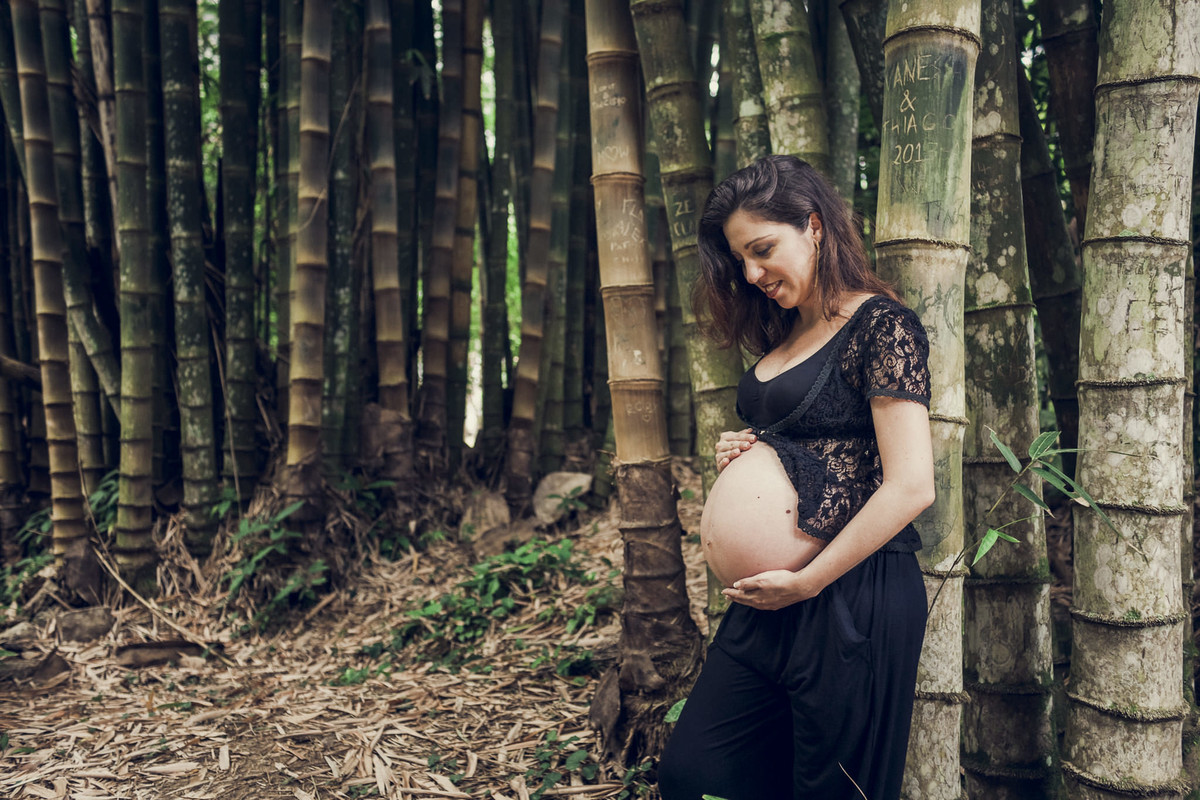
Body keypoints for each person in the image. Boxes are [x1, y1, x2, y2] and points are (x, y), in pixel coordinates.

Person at [656, 155, 935, 800]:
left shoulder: (881, 324)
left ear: (812, 225)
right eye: (740, 262)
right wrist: (753, 450)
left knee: (830, 791)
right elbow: (819, 438)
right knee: (694, 774)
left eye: (762, 250)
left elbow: (911, 483)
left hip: (849, 595)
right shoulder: (782, 336)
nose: (751, 275)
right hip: (767, 604)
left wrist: (806, 580)